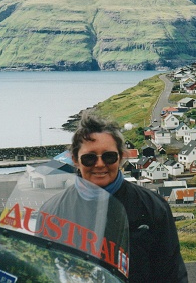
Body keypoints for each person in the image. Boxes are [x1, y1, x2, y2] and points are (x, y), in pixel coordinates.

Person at [40, 111, 188, 282]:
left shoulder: (153, 207)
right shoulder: (52, 211)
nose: (100, 164)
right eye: (89, 158)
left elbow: (172, 275)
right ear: (75, 159)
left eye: (109, 156)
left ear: (121, 157)